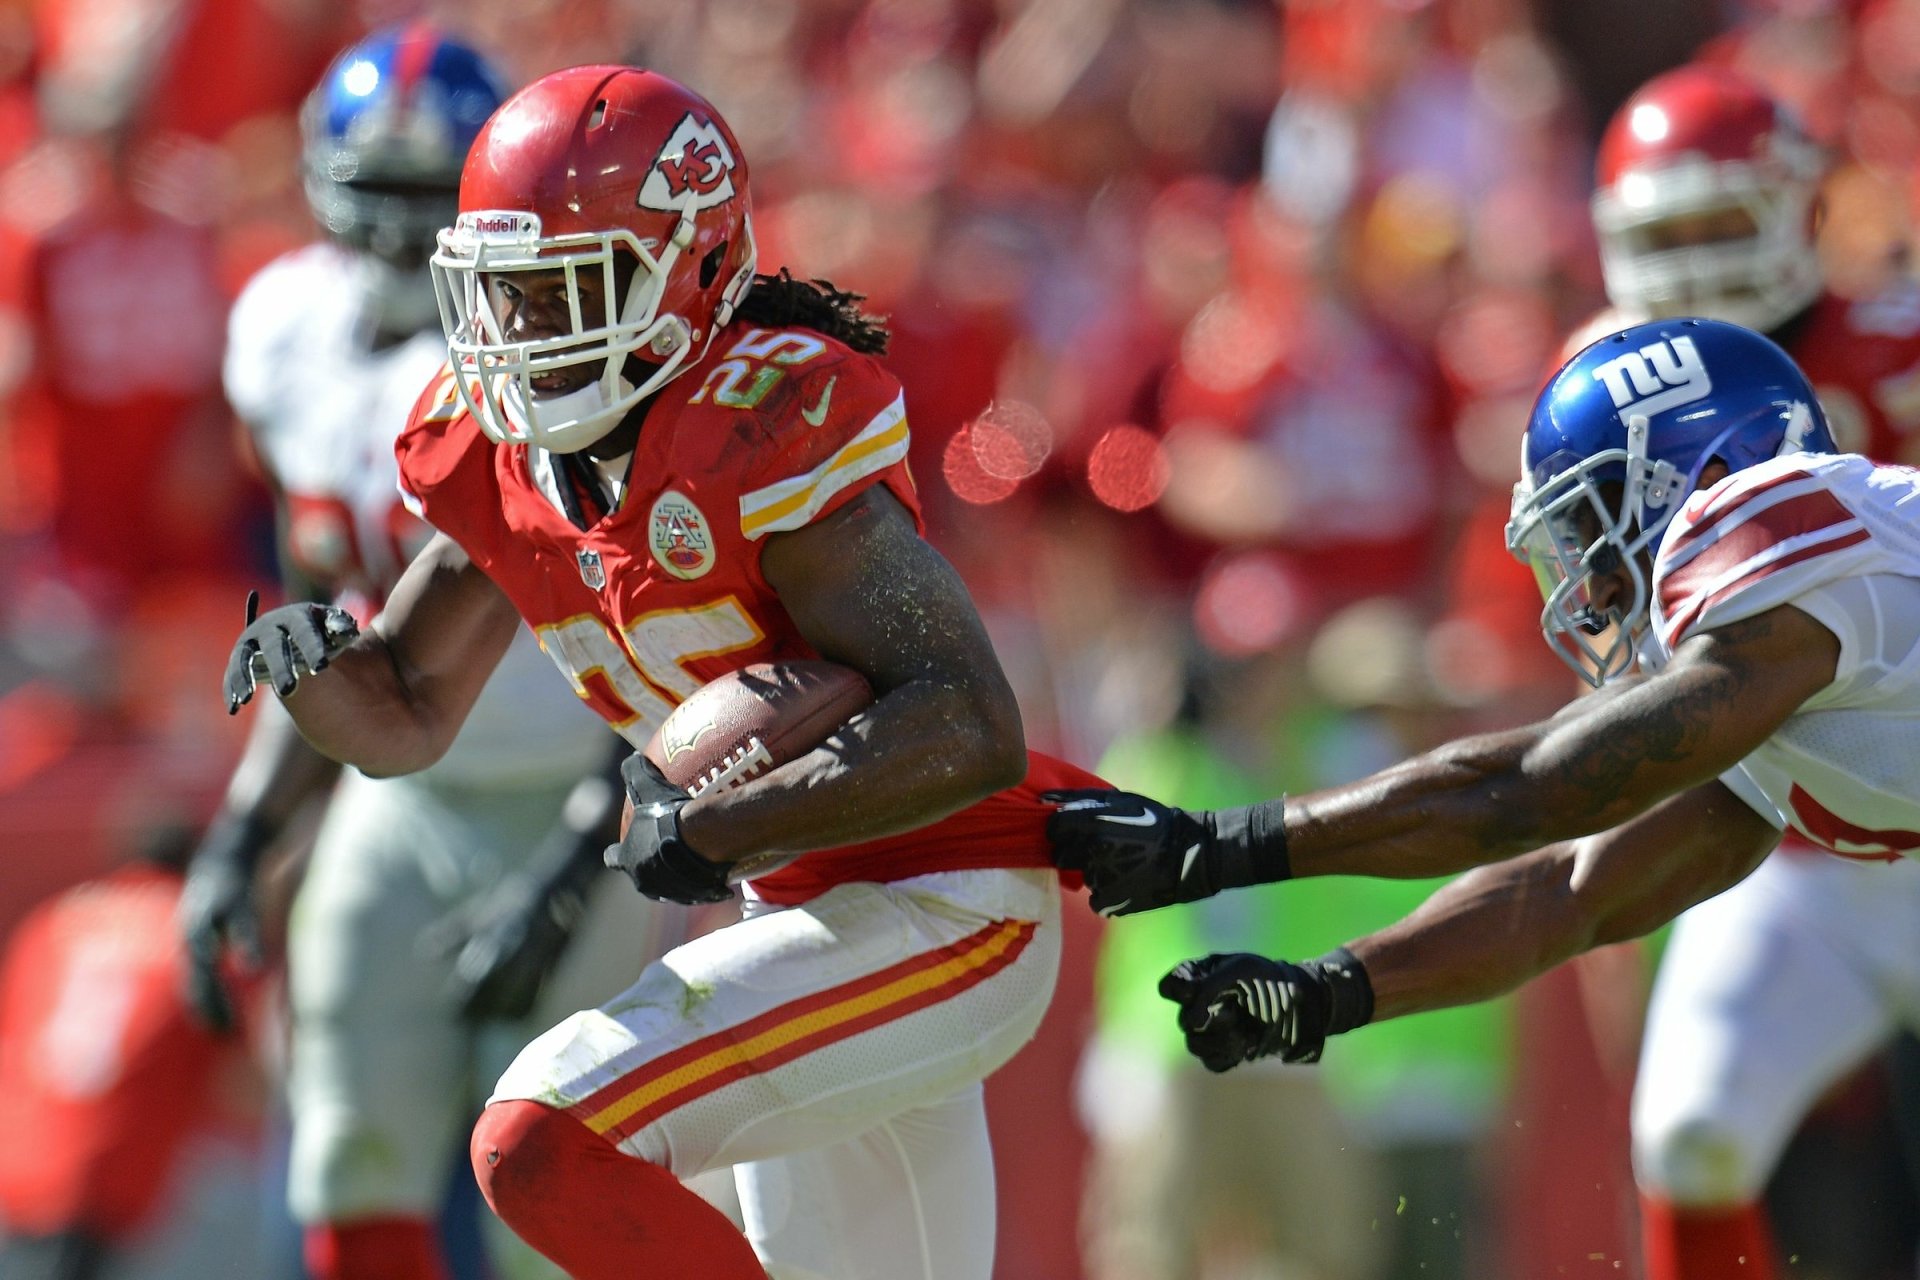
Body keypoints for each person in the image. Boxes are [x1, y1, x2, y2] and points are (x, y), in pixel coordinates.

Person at [221, 62, 1102, 1280]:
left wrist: (724, 818)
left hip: (939, 902)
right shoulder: (503, 451)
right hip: (798, 908)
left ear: (686, 271)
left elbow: (968, 721)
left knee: (541, 1134)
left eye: (558, 291)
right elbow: (408, 714)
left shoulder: (757, 423)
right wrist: (311, 669)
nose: (521, 331)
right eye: (503, 294)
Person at [1048, 314, 1920, 1280]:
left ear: (1703, 478)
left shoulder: (1792, 522)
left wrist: (1224, 844)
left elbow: (1533, 789)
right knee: (1688, 1131)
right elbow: (1570, 895)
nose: (1585, 582)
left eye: (1592, 523)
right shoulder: (1778, 671)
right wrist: (1326, 991)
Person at [180, 30, 665, 1280]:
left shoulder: (550, 340)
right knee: (346, 1143)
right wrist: (248, 827)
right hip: (402, 795)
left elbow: (658, 621)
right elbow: (322, 619)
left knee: (562, 1187)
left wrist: (578, 853)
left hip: (591, 792)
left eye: (425, 193)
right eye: (374, 191)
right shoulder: (283, 323)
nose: (397, 230)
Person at [1582, 63, 1920, 1280]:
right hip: (1788, 848)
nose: (1693, 260)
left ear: (1799, 208)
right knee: (1690, 1129)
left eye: (1718, 223)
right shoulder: (1605, 391)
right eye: (1664, 232)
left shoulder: (1897, 338)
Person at [0, 824, 266, 1280]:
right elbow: (244, 1092)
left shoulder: (52, 921)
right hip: (111, 1173)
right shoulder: (196, 940)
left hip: (18, 1158)